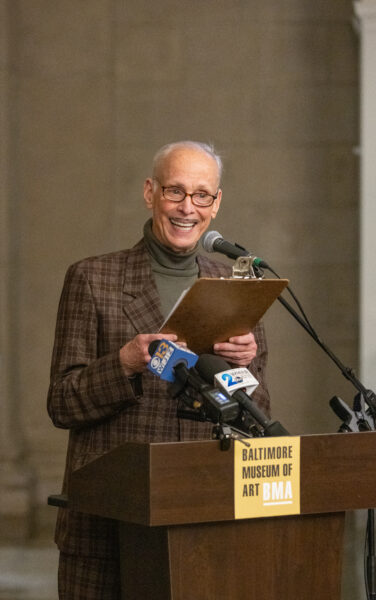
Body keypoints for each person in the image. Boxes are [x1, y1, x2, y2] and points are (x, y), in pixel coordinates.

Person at [47, 141, 270, 599]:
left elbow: (258, 414)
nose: (188, 207)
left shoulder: (233, 287)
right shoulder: (93, 279)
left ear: (217, 203)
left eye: (202, 195)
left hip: (201, 519)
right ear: (150, 192)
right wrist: (125, 362)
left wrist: (245, 367)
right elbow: (62, 401)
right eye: (175, 191)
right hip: (109, 526)